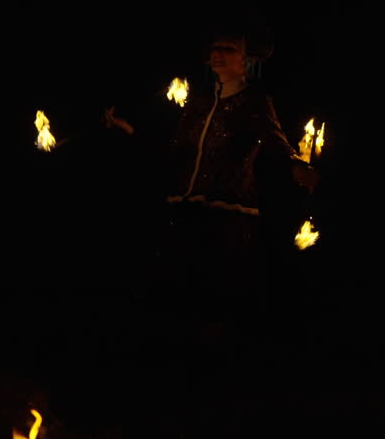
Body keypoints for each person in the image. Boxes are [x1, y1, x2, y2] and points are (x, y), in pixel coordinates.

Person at [104, 25, 320, 307]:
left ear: (245, 60)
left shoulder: (255, 101)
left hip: (227, 217)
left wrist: (298, 167)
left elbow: (276, 143)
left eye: (228, 49)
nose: (218, 53)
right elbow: (176, 150)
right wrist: (130, 130)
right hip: (183, 211)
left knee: (216, 301)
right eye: (215, 48)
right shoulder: (199, 102)